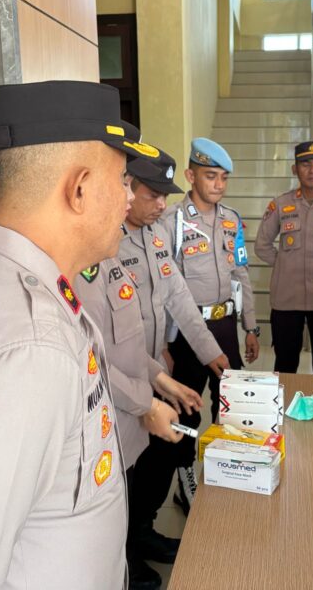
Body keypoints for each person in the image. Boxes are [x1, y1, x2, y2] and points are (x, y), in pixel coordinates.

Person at [0, 81, 161, 589]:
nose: (129, 198)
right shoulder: (29, 350)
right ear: (79, 189)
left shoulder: (7, 287)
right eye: (122, 180)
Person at [118, 148, 229, 540]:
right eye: (152, 195)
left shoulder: (154, 234)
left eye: (166, 196)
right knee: (127, 462)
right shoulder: (106, 241)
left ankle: (144, 526)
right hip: (120, 374)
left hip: (152, 369)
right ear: (126, 188)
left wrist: (207, 349)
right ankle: (127, 546)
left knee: (162, 448)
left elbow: (178, 296)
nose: (161, 205)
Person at [76, 252, 201, 590]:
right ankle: (123, 566)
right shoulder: (79, 271)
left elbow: (127, 345)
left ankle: (137, 541)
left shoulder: (110, 260)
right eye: (124, 193)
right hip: (109, 414)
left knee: (132, 492)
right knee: (112, 507)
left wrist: (163, 382)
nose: (128, 198)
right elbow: (87, 357)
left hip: (131, 413)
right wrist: (147, 404)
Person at [159, 137, 260, 506]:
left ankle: (223, 468)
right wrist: (163, 347)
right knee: (187, 406)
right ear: (190, 175)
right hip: (185, 332)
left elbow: (241, 273)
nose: (218, 184)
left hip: (224, 326)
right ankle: (185, 475)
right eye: (210, 175)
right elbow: (163, 289)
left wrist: (250, 327)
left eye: (223, 177)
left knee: (227, 403)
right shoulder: (171, 221)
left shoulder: (232, 220)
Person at [254, 140, 313, 375]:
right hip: (287, 299)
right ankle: (283, 410)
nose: (312, 170)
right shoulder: (281, 204)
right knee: (285, 364)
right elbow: (262, 245)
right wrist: (285, 263)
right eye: (305, 164)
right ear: (295, 169)